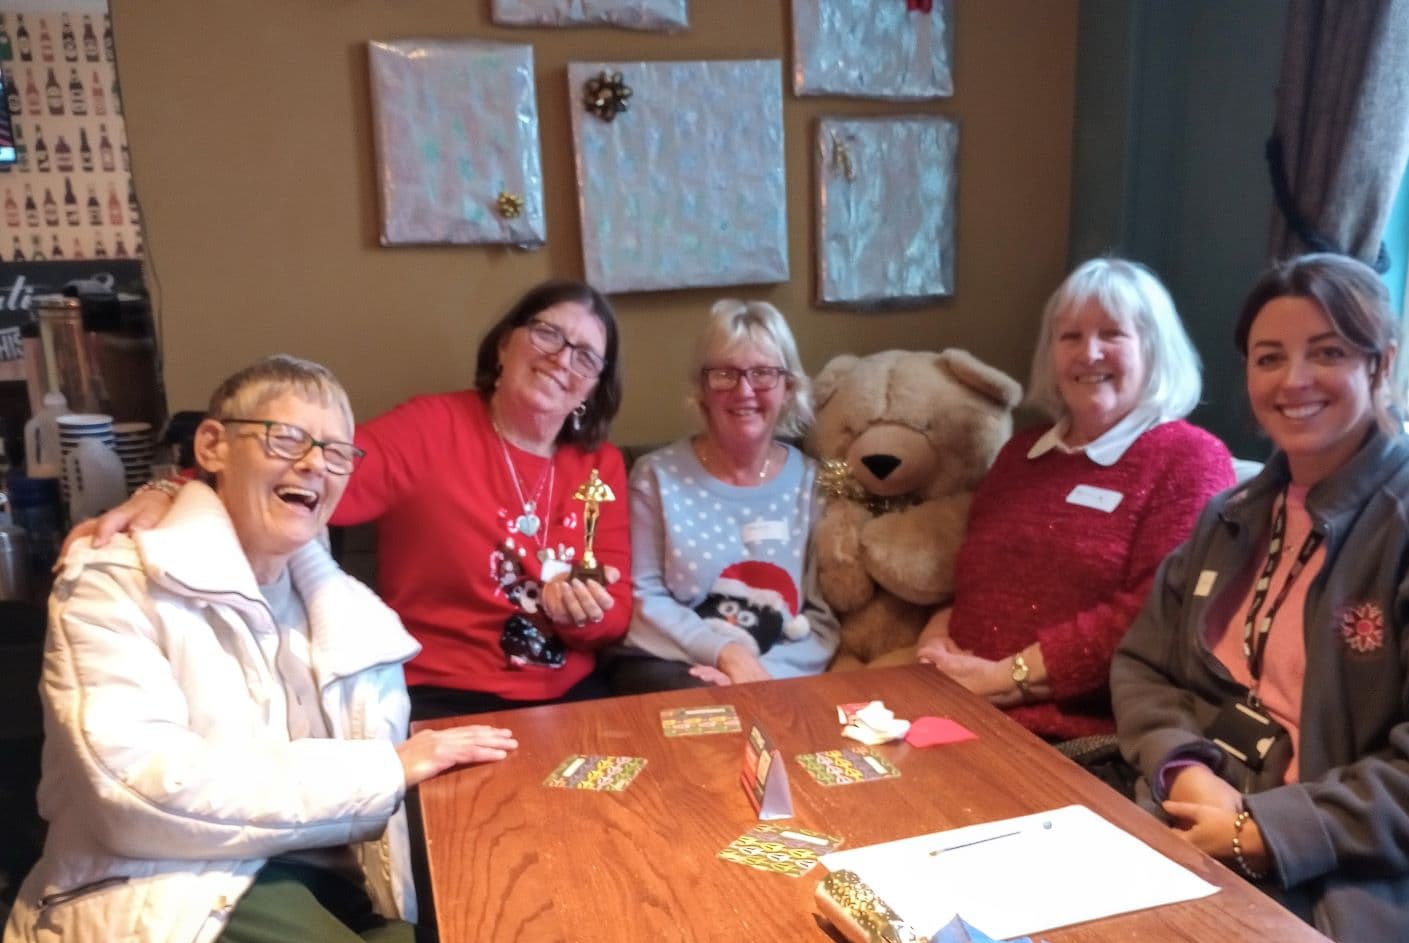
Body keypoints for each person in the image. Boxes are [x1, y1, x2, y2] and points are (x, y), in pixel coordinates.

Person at [0, 356, 519, 943]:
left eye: (336, 451)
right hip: (159, 885)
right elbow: (135, 792)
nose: (315, 463)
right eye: (284, 438)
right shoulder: (112, 581)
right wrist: (382, 770)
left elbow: (388, 808)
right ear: (212, 446)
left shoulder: (353, 622)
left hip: (324, 888)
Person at [1112, 253, 1409, 943]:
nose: (1292, 379)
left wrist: (1266, 830)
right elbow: (1143, 664)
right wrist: (1182, 767)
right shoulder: (1234, 512)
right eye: (1268, 358)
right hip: (1198, 817)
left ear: (1383, 364)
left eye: (1328, 352)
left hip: (1371, 884)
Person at [72, 280, 633, 720]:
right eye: (547, 334)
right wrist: (175, 486)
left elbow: (615, 619)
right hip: (446, 698)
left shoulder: (598, 465)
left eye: (586, 354)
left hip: (573, 693)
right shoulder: (430, 428)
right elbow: (301, 472)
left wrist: (579, 616)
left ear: (595, 384)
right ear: (506, 343)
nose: (563, 359)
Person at [917, 258, 1234, 742]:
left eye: (1112, 334)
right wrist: (936, 637)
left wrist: (1005, 680)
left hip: (1072, 736)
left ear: (1153, 348)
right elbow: (977, 580)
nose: (1089, 353)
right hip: (957, 704)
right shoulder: (1022, 453)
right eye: (1070, 337)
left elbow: (1151, 617)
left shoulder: (1190, 460)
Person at [609, 299, 838, 692]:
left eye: (763, 373)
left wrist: (758, 676)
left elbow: (821, 617)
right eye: (724, 374)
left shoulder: (810, 482)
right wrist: (726, 655)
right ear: (702, 388)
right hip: (672, 667)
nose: (744, 390)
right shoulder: (656, 477)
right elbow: (642, 600)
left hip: (776, 674)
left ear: (789, 387)